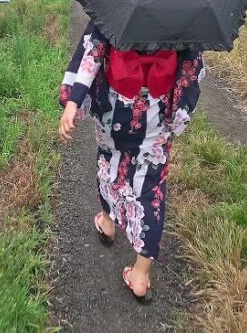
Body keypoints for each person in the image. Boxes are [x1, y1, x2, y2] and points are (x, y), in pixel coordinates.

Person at [57, 21, 204, 301]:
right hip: (155, 116)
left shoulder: (114, 4)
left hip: (116, 111)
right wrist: (178, 114)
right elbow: (191, 71)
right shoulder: (184, 13)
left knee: (110, 165)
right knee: (151, 187)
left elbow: (92, 53)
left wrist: (74, 102)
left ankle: (108, 223)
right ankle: (140, 275)